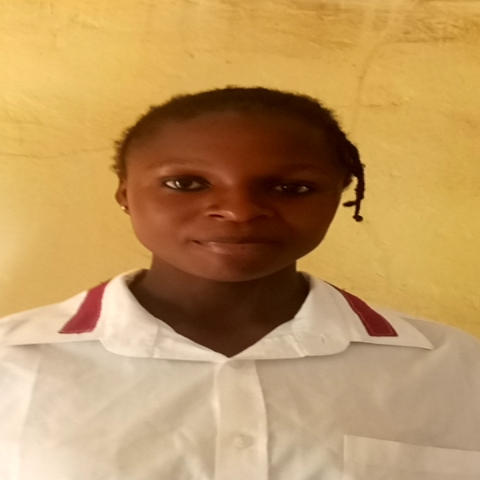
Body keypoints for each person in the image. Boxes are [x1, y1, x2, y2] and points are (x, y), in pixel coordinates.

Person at [1, 87, 479, 480]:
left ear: (340, 196)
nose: (239, 210)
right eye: (186, 183)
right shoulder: (12, 363)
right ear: (125, 194)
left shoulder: (454, 368)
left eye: (291, 188)